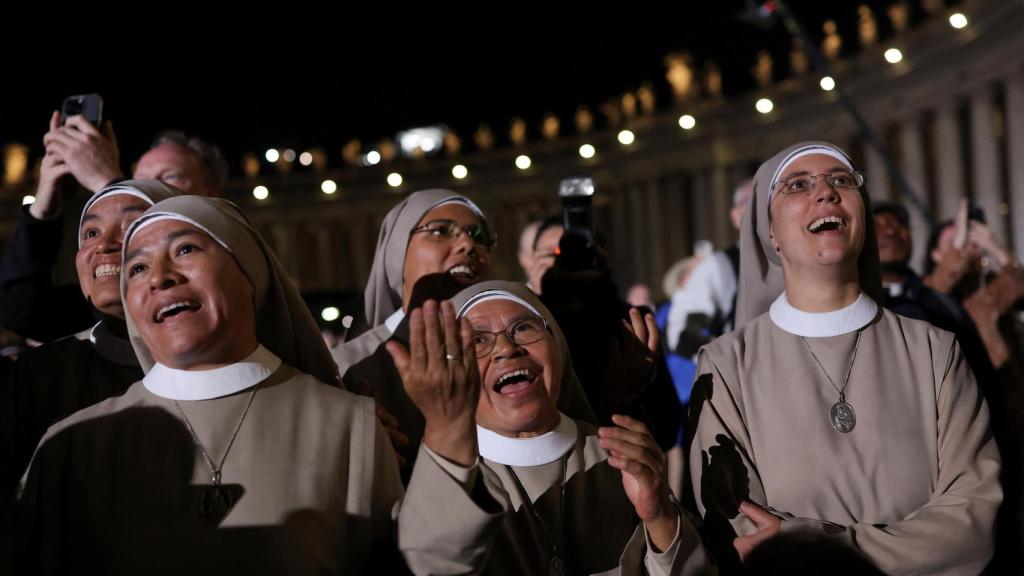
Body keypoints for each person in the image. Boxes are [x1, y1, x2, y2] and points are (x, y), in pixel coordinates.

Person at [12, 196, 403, 574]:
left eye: (184, 250)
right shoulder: (66, 448)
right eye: (137, 269)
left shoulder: (353, 426)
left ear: (251, 273)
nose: (160, 278)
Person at [688, 142, 1001, 574]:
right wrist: (901, 548)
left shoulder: (935, 350)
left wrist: (809, 539)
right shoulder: (725, 367)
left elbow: (973, 523)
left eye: (841, 180)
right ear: (769, 232)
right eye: (798, 185)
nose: (826, 192)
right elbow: (741, 535)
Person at [393, 281, 711, 575]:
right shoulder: (440, 479)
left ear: (558, 347)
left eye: (522, 328)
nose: (506, 349)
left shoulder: (621, 455)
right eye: (478, 340)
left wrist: (659, 517)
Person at [0, 180, 182, 504]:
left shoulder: (217, 366)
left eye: (131, 227)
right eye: (91, 233)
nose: (104, 246)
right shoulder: (41, 375)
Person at [0, 111, 226, 342]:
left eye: (167, 178)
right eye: (91, 233)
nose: (148, 189)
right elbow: (21, 309)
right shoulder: (107, 296)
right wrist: (44, 212)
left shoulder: (228, 271)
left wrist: (107, 180)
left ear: (212, 194)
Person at [333, 189, 497, 469]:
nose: (468, 244)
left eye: (478, 235)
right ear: (397, 250)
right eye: (441, 231)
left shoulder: (518, 347)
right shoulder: (347, 367)